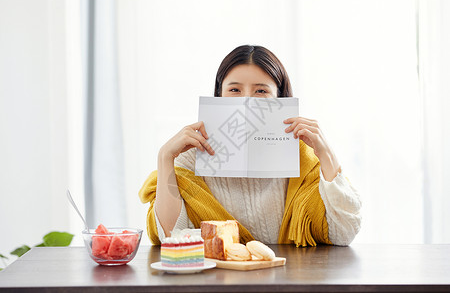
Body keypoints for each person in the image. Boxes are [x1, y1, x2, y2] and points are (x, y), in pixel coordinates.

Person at [139, 45, 361, 247]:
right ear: (218, 96)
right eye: (234, 90)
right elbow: (171, 237)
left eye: (261, 91)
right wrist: (165, 157)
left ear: (281, 98)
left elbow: (344, 233)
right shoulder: (191, 155)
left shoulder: (303, 157)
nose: (247, 101)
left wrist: (326, 154)